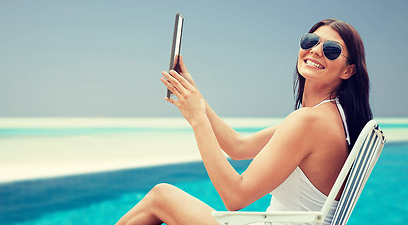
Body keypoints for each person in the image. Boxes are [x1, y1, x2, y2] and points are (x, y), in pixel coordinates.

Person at [115, 18, 372, 225]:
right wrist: (196, 97)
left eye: (331, 49)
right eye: (311, 41)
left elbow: (235, 196)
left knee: (161, 197)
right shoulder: (330, 117)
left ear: (348, 70)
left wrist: (197, 119)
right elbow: (238, 147)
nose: (316, 50)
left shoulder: (309, 121)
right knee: (162, 196)